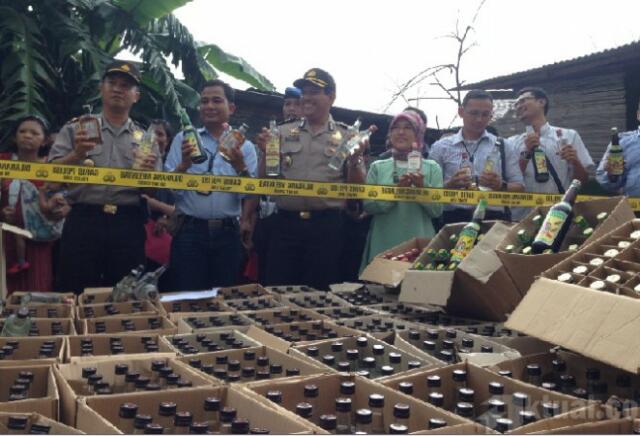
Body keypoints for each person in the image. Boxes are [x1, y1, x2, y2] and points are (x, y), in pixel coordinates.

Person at [49, 60, 161, 294]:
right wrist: (77, 154)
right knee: (74, 291)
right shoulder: (77, 129)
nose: (118, 89)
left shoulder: (146, 139)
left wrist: (148, 175)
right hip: (83, 220)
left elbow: (153, 191)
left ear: (136, 96)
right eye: (112, 83)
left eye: (125, 86)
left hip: (127, 223)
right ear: (101, 88)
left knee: (124, 296)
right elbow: (50, 179)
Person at [256, 68, 367, 290]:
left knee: (320, 293)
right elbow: (264, 180)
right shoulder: (281, 132)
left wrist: (355, 160)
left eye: (314, 92)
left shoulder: (347, 136)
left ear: (331, 97)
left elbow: (357, 188)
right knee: (279, 290)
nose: (306, 97)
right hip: (285, 225)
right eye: (304, 92)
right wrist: (267, 155)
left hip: (327, 227)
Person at [164, 79, 258, 290]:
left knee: (222, 297)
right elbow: (169, 189)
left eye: (216, 100)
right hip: (189, 232)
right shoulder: (184, 139)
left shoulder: (245, 146)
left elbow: (250, 193)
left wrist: (240, 166)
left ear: (231, 108)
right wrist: (183, 166)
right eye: (204, 101)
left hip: (228, 234)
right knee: (186, 296)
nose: (209, 106)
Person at [360, 110, 443, 270]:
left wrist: (421, 189)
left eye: (408, 127)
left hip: (420, 242)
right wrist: (396, 193)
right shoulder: (378, 167)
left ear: (418, 133)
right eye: (395, 128)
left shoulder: (432, 168)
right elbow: (369, 206)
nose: (401, 132)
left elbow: (437, 211)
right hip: (384, 242)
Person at [430, 90, 524, 224]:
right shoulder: (441, 147)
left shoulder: (504, 146)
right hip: (453, 218)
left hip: (494, 219)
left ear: (491, 115)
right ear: (461, 112)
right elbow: (429, 191)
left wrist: (501, 185)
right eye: (474, 113)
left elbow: (520, 187)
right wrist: (450, 185)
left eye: (485, 114)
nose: (479, 119)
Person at [1, 116, 70, 293]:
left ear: (44, 140)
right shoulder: (4, 161)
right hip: (7, 239)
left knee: (39, 286)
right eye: (22, 131)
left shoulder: (52, 166)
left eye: (34, 133)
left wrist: (64, 208)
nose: (27, 136)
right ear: (14, 137)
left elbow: (71, 195)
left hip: (40, 240)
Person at [510, 87, 594, 220]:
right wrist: (526, 152)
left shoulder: (568, 136)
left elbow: (582, 181)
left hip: (558, 215)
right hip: (522, 217)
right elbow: (509, 182)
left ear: (541, 102)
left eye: (523, 101)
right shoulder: (512, 142)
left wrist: (575, 161)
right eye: (516, 104)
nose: (518, 106)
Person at [595, 102, 640, 200]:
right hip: (633, 207)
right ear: (638, 115)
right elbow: (605, 182)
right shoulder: (621, 142)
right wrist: (611, 175)